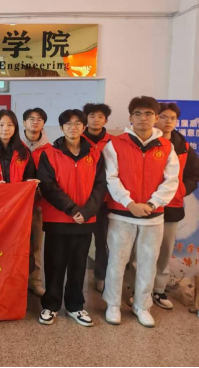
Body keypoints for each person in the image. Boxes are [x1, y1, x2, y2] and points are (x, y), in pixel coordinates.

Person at [102, 96, 179, 328]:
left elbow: (171, 180)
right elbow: (111, 177)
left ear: (156, 118)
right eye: (138, 113)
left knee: (148, 263)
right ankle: (113, 304)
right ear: (130, 117)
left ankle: (142, 306)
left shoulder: (167, 147)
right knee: (116, 261)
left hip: (153, 217)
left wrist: (153, 204)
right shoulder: (115, 144)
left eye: (148, 114)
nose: (143, 118)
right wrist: (129, 203)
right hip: (121, 214)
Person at [37, 109, 107, 327]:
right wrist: (70, 208)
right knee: (54, 264)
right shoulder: (49, 154)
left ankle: (75, 306)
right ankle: (51, 305)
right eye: (68, 124)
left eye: (77, 124)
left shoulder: (95, 154)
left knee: (78, 265)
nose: (73, 127)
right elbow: (47, 185)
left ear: (84, 127)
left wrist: (86, 212)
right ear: (61, 128)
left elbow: (100, 186)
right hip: (57, 219)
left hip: (84, 221)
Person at [127, 102, 199, 310]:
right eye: (164, 117)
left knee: (164, 251)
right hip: (145, 206)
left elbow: (194, 174)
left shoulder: (183, 146)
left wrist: (181, 190)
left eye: (173, 118)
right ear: (156, 118)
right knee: (140, 251)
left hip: (171, 207)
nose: (168, 122)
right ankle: (137, 290)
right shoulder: (146, 142)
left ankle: (158, 290)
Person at [82, 103, 113, 294]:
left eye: (100, 116)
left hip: (106, 200)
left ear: (106, 120)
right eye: (92, 116)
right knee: (81, 241)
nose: (95, 120)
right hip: (82, 200)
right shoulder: (77, 139)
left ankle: (101, 276)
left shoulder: (114, 142)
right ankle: (76, 278)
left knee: (103, 241)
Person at [21, 107, 52, 297]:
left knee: (37, 244)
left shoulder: (50, 150)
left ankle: (35, 281)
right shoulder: (15, 146)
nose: (35, 122)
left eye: (39, 119)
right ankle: (17, 280)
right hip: (17, 205)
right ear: (24, 122)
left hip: (39, 204)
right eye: (31, 119)